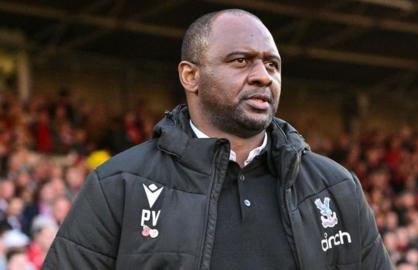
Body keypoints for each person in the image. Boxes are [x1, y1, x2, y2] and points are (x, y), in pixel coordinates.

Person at [43, 9, 393, 270]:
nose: (262, 77)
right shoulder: (119, 185)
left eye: (272, 65)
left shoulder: (336, 188)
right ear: (190, 75)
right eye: (241, 61)